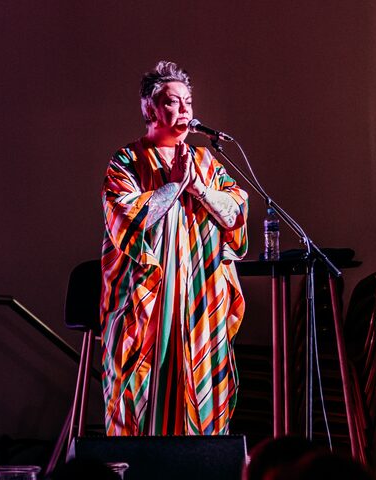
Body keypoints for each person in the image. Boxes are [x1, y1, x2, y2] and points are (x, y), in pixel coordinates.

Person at [100, 60, 248, 436]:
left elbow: (235, 212)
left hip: (200, 297)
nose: (183, 109)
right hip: (148, 301)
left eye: (187, 102)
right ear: (150, 109)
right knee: (139, 392)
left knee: (202, 393)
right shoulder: (127, 160)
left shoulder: (206, 162)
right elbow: (126, 217)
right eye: (171, 101)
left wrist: (198, 188)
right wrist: (173, 186)